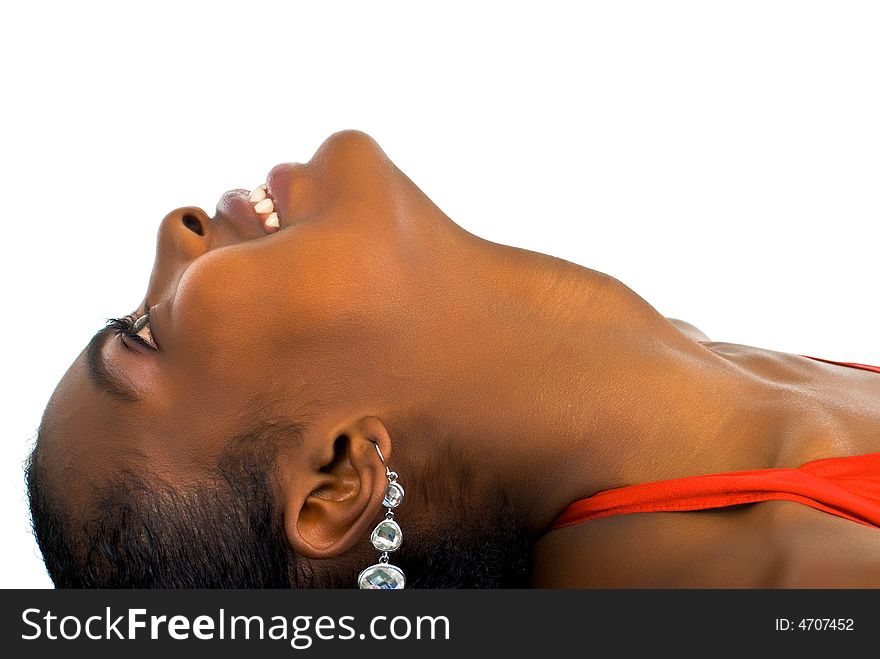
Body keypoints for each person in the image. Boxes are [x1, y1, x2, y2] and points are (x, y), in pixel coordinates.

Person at [27, 130, 880, 589]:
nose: (175, 231)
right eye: (143, 336)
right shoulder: (785, 582)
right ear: (335, 478)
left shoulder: (696, 380)